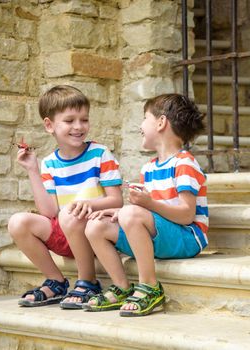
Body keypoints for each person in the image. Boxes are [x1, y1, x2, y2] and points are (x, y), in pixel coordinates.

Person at [83, 93, 208, 317]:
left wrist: (146, 205)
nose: (140, 126)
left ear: (161, 123)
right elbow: (146, 213)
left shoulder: (184, 163)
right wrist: (120, 211)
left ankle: (150, 287)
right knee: (95, 226)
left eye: (144, 118)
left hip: (187, 238)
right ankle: (122, 287)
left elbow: (187, 215)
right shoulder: (148, 168)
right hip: (160, 235)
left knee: (131, 214)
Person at [8, 85, 123, 308]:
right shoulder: (50, 163)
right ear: (49, 125)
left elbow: (117, 201)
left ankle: (88, 281)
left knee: (70, 214)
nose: (79, 127)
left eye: (84, 119)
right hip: (67, 229)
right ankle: (57, 281)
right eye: (70, 121)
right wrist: (33, 169)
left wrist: (86, 204)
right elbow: (49, 212)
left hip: (96, 232)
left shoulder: (100, 154)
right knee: (18, 222)